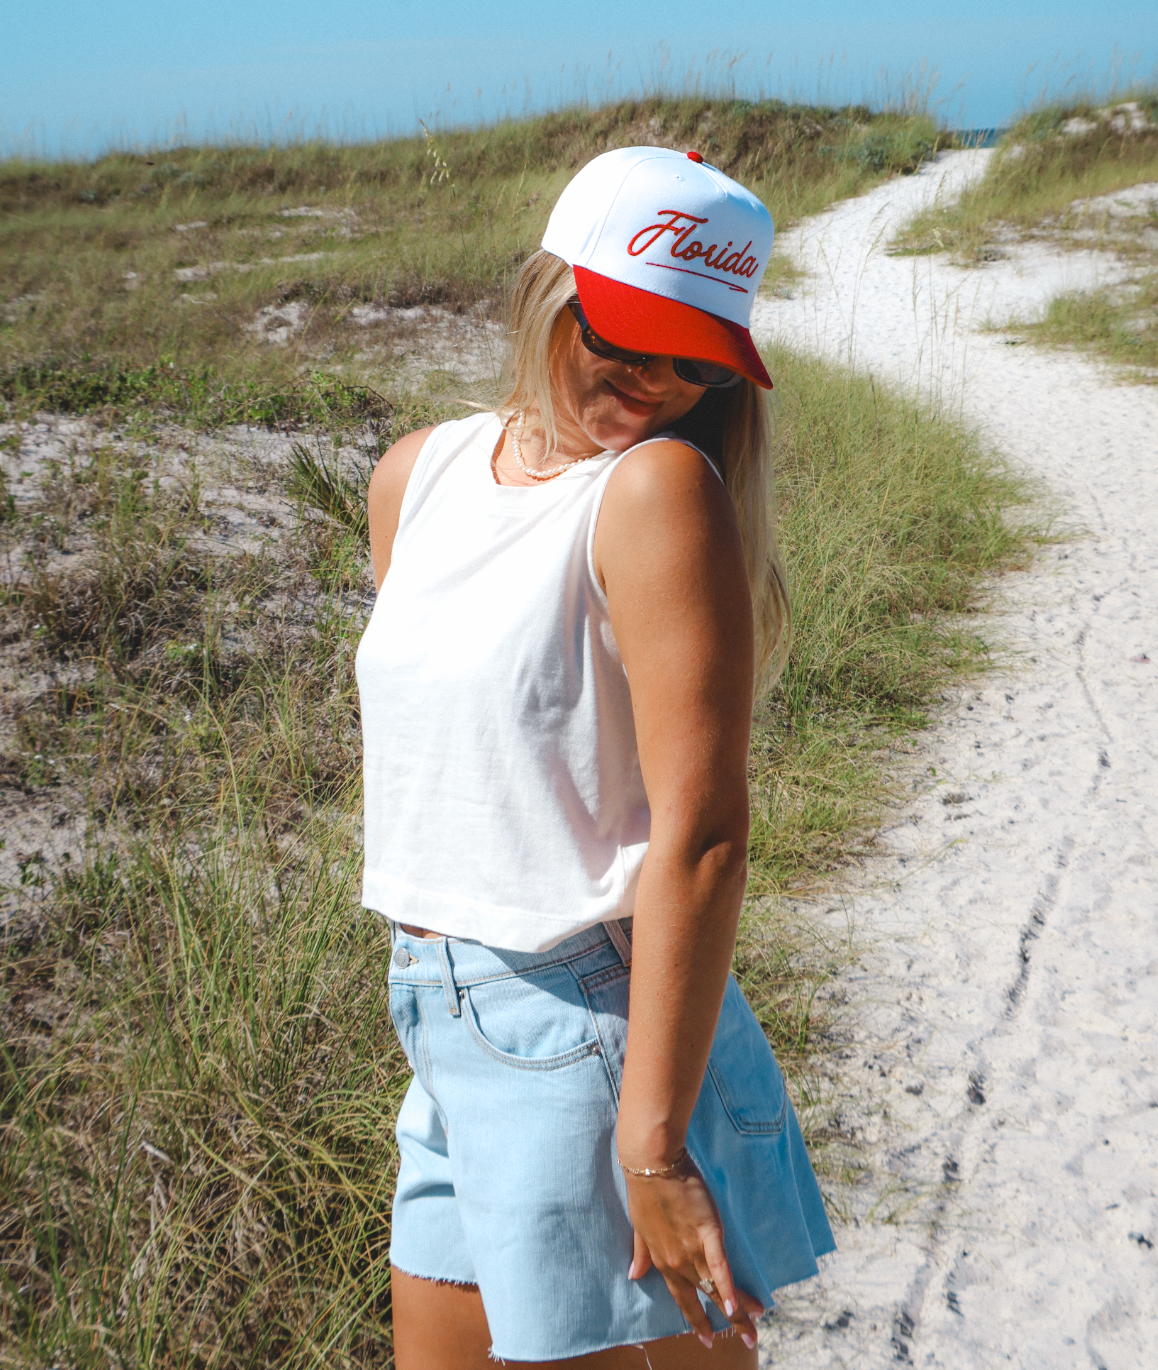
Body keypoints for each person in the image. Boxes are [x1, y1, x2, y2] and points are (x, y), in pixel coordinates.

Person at [356, 146, 834, 1370]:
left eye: (695, 357)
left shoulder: (657, 489)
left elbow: (704, 830)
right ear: (548, 288)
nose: (660, 379)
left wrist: (654, 1144)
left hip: (582, 1024)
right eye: (626, 335)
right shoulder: (419, 475)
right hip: (443, 1015)